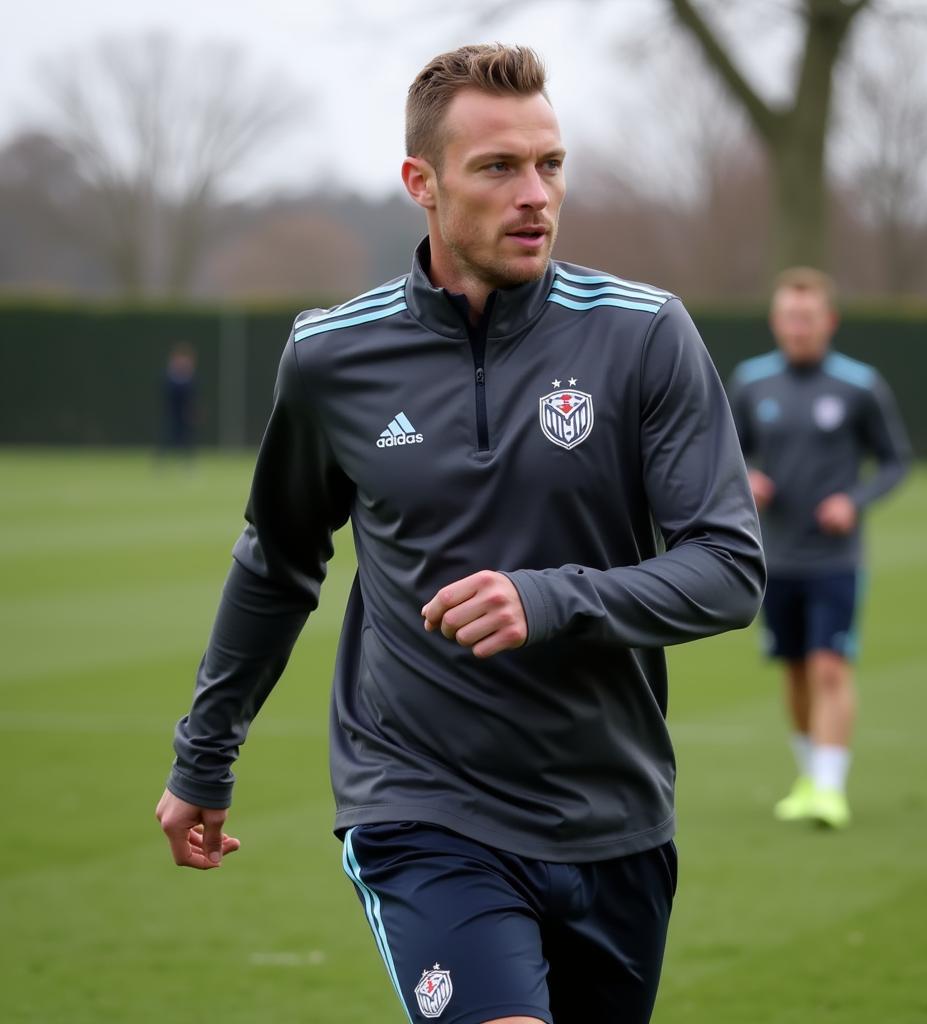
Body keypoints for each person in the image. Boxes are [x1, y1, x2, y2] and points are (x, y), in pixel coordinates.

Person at [155, 44, 764, 1024]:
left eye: (550, 164)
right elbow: (277, 562)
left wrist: (550, 597)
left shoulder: (645, 334)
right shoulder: (331, 357)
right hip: (419, 801)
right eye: (498, 168)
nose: (535, 195)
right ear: (421, 184)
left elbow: (729, 570)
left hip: (612, 813)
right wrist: (204, 756)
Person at [728, 267, 911, 831]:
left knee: (830, 667)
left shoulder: (860, 385)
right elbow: (726, 454)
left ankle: (830, 789)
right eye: (788, 317)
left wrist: (854, 501)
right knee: (794, 670)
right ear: (776, 321)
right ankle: (809, 777)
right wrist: (748, 480)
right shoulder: (751, 381)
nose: (798, 327)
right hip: (773, 556)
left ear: (828, 321)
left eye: (808, 317)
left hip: (835, 557)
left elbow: (896, 460)